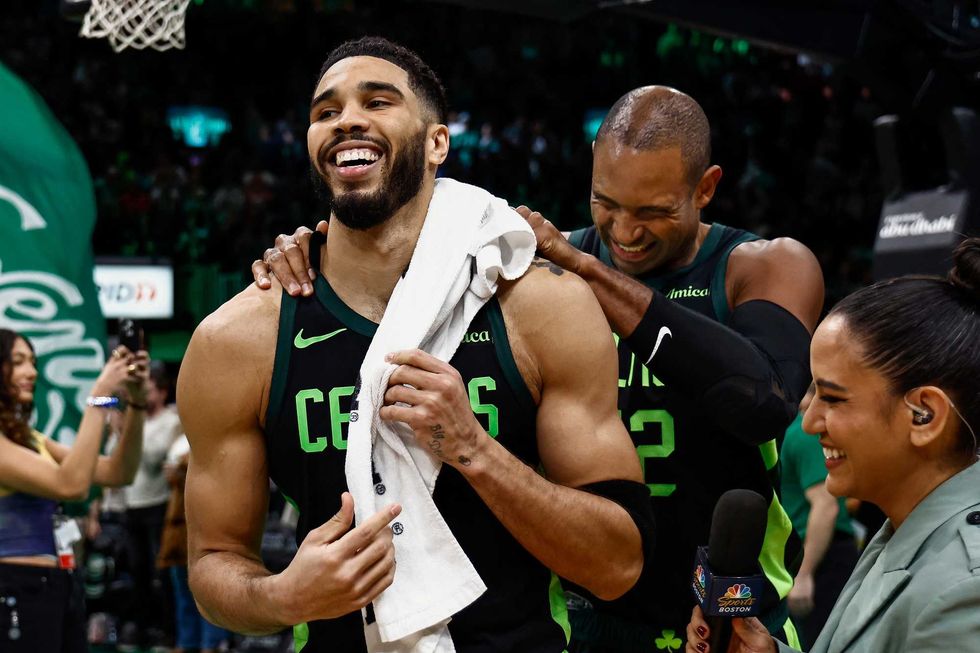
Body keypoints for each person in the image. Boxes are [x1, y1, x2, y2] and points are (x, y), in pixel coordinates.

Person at [255, 84, 824, 649]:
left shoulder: (761, 266)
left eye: (653, 212)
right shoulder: (542, 282)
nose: (625, 232)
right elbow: (396, 258)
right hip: (585, 612)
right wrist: (317, 246)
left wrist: (586, 268)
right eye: (606, 204)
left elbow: (763, 402)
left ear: (706, 188)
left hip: (733, 615)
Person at [178, 36, 653, 653]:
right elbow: (214, 561)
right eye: (326, 112)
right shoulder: (237, 340)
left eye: (377, 102)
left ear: (436, 144)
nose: (346, 118)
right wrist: (285, 597)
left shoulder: (538, 307)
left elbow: (616, 565)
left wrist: (473, 448)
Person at [685, 237, 980, 653]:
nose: (808, 423)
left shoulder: (965, 588)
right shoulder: (910, 530)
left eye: (834, 398)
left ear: (924, 415)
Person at [0, 329, 148, 652]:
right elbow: (72, 484)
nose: (32, 372)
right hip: (13, 587)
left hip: (57, 586)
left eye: (33, 362)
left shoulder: (29, 437)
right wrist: (100, 394)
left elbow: (118, 472)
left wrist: (136, 403)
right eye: (18, 362)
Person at [779, 386, 858, 648]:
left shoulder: (803, 434)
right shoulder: (793, 433)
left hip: (823, 559)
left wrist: (804, 575)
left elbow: (826, 505)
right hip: (816, 556)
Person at [117, 361, 181, 650]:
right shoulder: (133, 420)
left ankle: (168, 632)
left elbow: (156, 460)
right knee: (137, 572)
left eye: (150, 389)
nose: (145, 395)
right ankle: (142, 631)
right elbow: (115, 461)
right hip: (132, 505)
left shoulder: (171, 421)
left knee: (164, 575)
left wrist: (129, 432)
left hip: (158, 505)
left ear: (163, 391)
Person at [158, 433, 230, 653]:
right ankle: (187, 642)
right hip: (179, 527)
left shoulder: (217, 437)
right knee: (183, 589)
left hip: (210, 524)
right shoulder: (180, 440)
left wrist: (181, 466)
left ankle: (212, 643)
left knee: (210, 590)